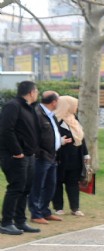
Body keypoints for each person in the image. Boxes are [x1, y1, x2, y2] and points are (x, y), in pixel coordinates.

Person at [0, 81, 41, 235]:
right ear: (31, 92)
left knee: (25, 189)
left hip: (29, 155)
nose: (37, 94)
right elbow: (6, 130)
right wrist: (17, 151)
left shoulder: (29, 108)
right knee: (16, 187)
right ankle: (6, 222)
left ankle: (20, 220)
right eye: (36, 91)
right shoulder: (13, 106)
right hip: (15, 155)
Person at [29, 91, 68, 225]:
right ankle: (35, 213)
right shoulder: (37, 113)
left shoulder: (51, 115)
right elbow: (32, 136)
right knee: (37, 186)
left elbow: (52, 133)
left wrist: (59, 142)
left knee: (51, 185)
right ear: (54, 102)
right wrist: (39, 153)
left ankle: (44, 210)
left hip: (52, 156)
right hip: (41, 156)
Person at [52, 96, 88, 217]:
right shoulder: (55, 119)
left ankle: (75, 207)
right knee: (57, 182)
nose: (76, 107)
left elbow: (82, 138)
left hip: (75, 157)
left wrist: (86, 154)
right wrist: (60, 141)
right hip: (60, 157)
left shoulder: (74, 119)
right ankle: (58, 207)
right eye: (74, 104)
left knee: (73, 183)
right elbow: (48, 137)